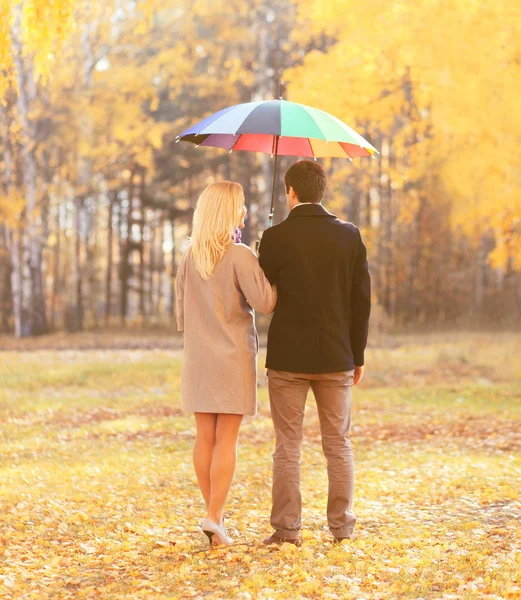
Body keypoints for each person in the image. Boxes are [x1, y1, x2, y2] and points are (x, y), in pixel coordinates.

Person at [258, 160, 371, 545]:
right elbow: (361, 302)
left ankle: (287, 530)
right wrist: (357, 355)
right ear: (322, 190)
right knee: (338, 443)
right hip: (336, 355)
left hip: (288, 358)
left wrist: (263, 248)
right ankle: (342, 528)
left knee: (287, 446)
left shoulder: (275, 237)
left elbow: (263, 293)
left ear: (290, 191)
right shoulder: (350, 236)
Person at [176, 181, 277, 547]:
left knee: (204, 437)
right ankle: (215, 516)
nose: (246, 211)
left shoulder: (189, 255)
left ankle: (213, 517)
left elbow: (181, 313)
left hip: (198, 357)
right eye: (241, 205)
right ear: (228, 211)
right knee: (226, 439)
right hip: (232, 358)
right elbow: (266, 302)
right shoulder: (239, 255)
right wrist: (267, 266)